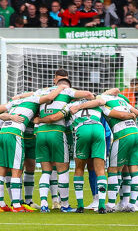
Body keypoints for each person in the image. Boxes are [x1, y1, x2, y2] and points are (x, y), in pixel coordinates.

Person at [0, 87, 64, 212]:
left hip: (2, 134)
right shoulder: (35, 99)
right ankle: (16, 205)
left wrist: (10, 115)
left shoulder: (17, 103)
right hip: (15, 134)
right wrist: (62, 87)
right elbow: (49, 98)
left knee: (2, 169)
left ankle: (2, 205)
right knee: (17, 170)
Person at [33, 79, 94, 213]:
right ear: (65, 84)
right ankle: (65, 205)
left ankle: (44, 203)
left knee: (46, 171)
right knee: (63, 170)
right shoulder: (66, 90)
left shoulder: (42, 91)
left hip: (41, 133)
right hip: (57, 132)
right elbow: (89, 94)